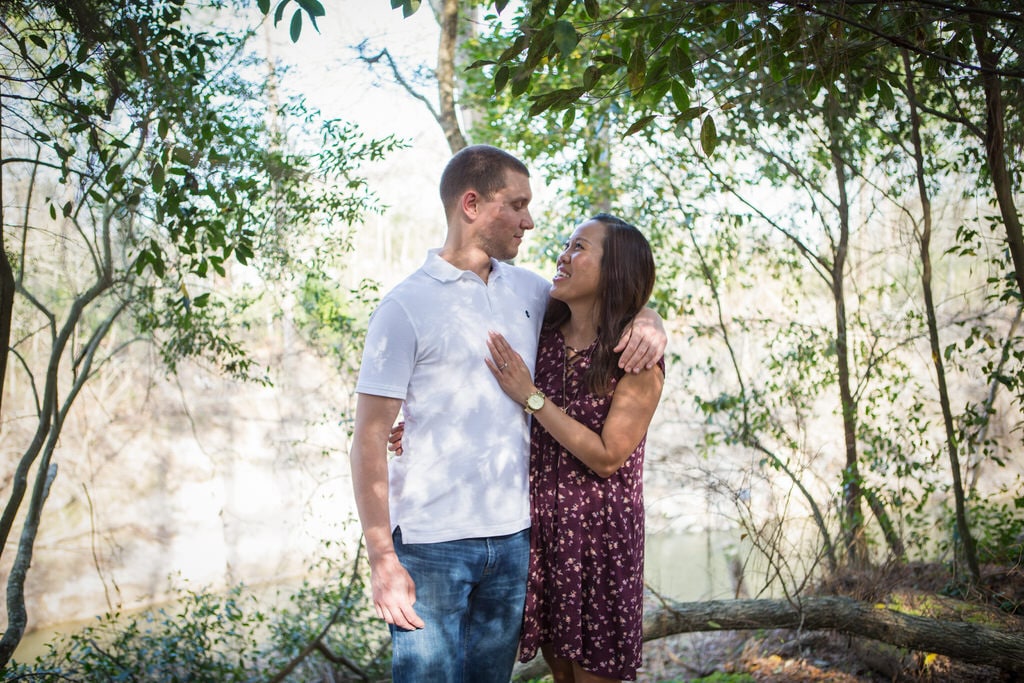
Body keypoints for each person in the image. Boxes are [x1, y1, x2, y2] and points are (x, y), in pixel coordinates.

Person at [348, 145, 666, 683]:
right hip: (432, 544)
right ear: (472, 204)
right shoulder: (404, 307)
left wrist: (652, 321)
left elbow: (613, 299)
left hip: (518, 539)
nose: (530, 221)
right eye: (516, 205)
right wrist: (382, 556)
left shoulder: (532, 291)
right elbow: (368, 436)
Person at [484, 213, 665, 683]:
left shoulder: (634, 359)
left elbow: (608, 457)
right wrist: (417, 426)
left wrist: (533, 398)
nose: (563, 256)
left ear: (615, 270)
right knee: (562, 676)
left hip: (601, 543)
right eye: (566, 244)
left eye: (579, 247)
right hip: (544, 538)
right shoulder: (541, 335)